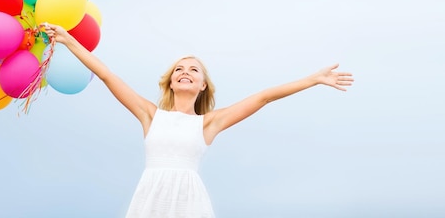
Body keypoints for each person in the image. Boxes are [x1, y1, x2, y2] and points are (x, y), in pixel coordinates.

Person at [43, 24, 354, 218]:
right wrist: (70, 41)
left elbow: (263, 97)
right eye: (179, 69)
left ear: (203, 85)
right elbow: (107, 75)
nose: (185, 72)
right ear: (170, 82)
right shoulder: (150, 115)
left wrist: (313, 80)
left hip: (189, 202)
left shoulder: (208, 124)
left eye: (193, 70)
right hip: (150, 198)